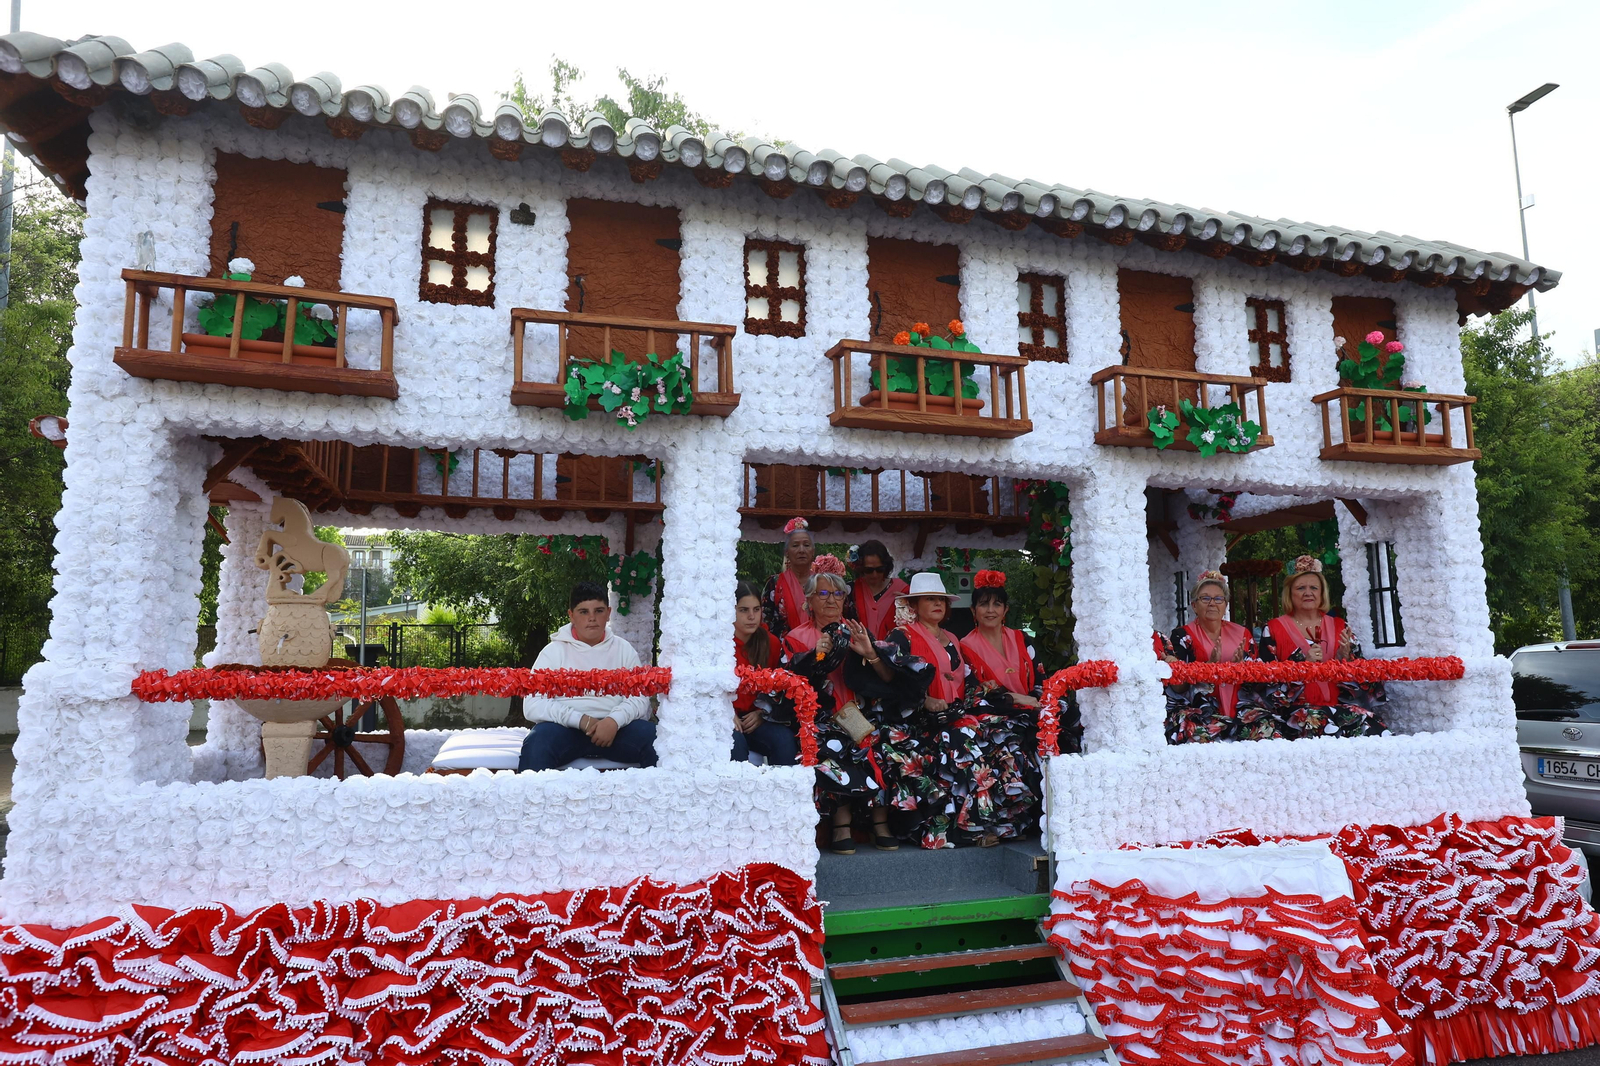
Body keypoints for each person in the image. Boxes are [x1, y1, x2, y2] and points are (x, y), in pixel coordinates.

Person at [849, 572, 1040, 850]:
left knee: (998, 739)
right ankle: (967, 829)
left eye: (940, 599)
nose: (937, 604)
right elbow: (889, 679)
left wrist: (988, 689)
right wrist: (923, 699)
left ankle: (999, 823)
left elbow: (968, 682)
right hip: (919, 721)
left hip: (955, 715)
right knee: (964, 743)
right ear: (913, 606)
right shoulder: (902, 636)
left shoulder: (952, 637)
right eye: (930, 599)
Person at [779, 556, 894, 854]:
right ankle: (841, 823)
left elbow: (885, 678)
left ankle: (880, 821)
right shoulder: (796, 637)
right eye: (824, 594)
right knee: (832, 744)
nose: (831, 600)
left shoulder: (857, 631)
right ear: (809, 601)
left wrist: (870, 653)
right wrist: (817, 656)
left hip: (860, 711)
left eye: (838, 594)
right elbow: (792, 683)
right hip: (820, 715)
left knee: (888, 740)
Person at [518, 581, 658, 770]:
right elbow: (533, 704)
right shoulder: (553, 652)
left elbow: (639, 698)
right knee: (537, 744)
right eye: (583, 612)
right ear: (571, 616)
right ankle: (534, 800)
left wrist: (613, 721)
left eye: (598, 611)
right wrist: (581, 720)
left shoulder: (623, 649)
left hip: (616, 730)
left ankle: (663, 799)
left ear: (608, 613)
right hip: (566, 730)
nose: (592, 618)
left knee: (658, 740)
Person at [1260, 555, 1388, 738]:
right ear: (1289, 593)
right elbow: (1266, 685)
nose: (1308, 593)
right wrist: (1303, 664)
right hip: (1294, 713)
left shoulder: (1340, 626)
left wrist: (1344, 659)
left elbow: (1363, 683)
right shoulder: (1272, 629)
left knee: (1376, 730)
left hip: (1337, 707)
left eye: (1314, 587)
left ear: (1322, 593)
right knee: (1324, 726)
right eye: (1300, 588)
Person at [1160, 571, 1264, 744]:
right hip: (1200, 707)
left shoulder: (1243, 633)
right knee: (1196, 733)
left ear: (1225, 605)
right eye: (1205, 598)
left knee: (1266, 729)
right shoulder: (1182, 635)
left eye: (1218, 599)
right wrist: (1207, 667)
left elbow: (1258, 682)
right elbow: (1178, 687)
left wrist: (1241, 669)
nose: (1212, 604)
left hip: (1240, 705)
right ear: (1194, 605)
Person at [732, 581, 800, 765]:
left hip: (756, 719)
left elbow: (777, 689)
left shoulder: (771, 643)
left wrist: (763, 713)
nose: (752, 616)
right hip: (726, 718)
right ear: (731, 611)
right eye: (744, 610)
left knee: (784, 740)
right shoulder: (720, 645)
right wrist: (725, 714)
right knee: (733, 744)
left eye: (756, 609)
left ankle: (783, 793)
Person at [959, 570, 1041, 708]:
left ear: (1005, 610)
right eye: (984, 604)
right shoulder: (965, 647)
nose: (990, 610)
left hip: (1033, 707)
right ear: (973, 610)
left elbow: (1040, 682)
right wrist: (1012, 698)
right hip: (995, 715)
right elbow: (970, 693)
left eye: (997, 604)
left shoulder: (1021, 638)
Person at [763, 517, 815, 640]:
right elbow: (765, 622)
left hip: (818, 650)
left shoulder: (822, 582)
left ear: (813, 551)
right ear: (787, 552)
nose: (801, 550)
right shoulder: (775, 584)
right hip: (784, 652)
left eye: (806, 545)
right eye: (795, 545)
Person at [848, 539, 909, 641]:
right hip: (858, 651)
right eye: (869, 570)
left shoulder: (902, 590)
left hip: (892, 651)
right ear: (861, 568)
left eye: (880, 569)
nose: (874, 574)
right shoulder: (851, 589)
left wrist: (908, 603)